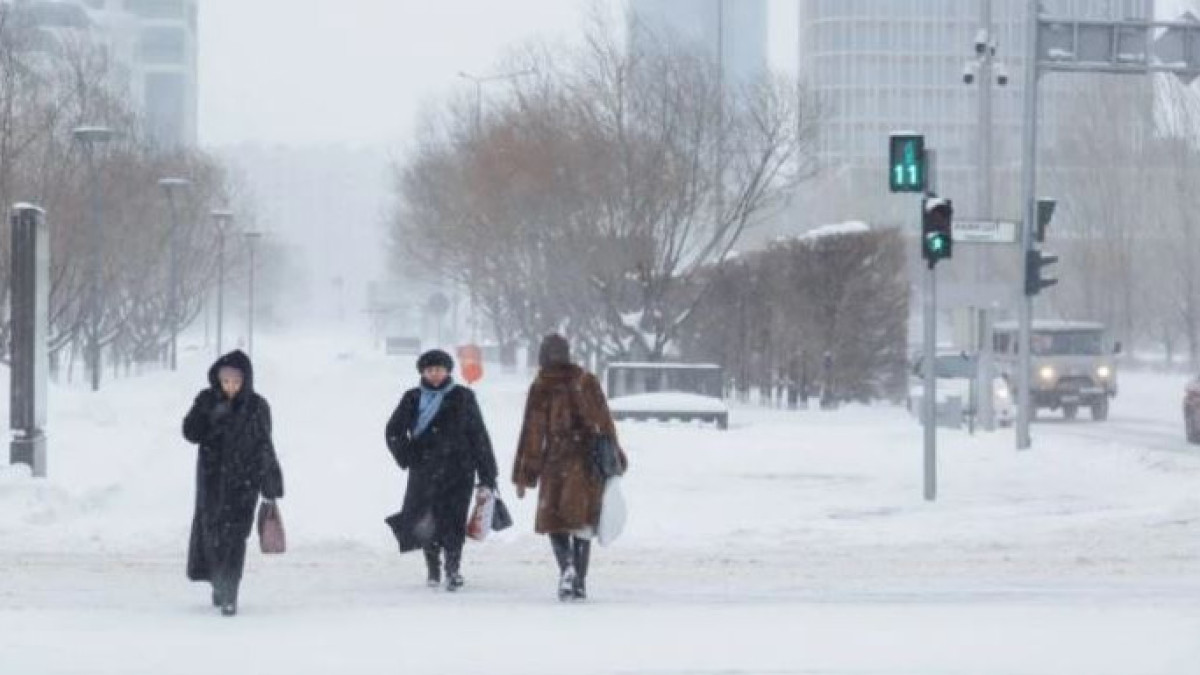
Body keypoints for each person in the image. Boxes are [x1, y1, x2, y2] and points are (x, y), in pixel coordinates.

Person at [512, 334, 628, 601]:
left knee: (555, 522)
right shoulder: (587, 381)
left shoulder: (542, 385)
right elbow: (606, 423)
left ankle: (566, 569)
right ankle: (580, 582)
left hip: (556, 462)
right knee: (582, 525)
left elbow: (532, 432)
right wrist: (615, 459)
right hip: (588, 465)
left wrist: (524, 475)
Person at [385, 349, 499, 591]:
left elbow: (479, 435)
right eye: (429, 370)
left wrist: (487, 473)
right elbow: (393, 431)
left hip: (460, 470)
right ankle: (433, 569)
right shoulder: (412, 398)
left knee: (454, 520)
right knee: (427, 520)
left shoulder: (464, 397)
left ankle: (453, 568)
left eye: (439, 369)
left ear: (448, 371)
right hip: (425, 471)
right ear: (422, 372)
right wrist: (408, 455)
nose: (434, 374)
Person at [182, 350, 284, 617]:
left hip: (243, 484)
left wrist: (270, 483)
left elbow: (264, 444)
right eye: (226, 381)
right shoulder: (206, 400)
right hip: (212, 482)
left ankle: (230, 592)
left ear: (245, 381)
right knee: (213, 537)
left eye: (236, 382)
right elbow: (190, 433)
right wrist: (207, 413)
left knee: (235, 538)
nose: (231, 387)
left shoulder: (257, 406)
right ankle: (218, 582)